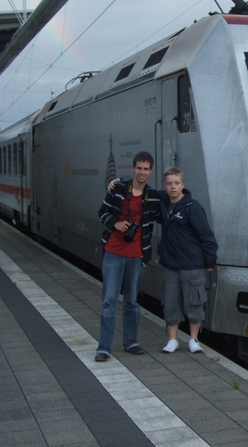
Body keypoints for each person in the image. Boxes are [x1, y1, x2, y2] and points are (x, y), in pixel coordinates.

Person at [95, 151, 160, 362]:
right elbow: (102, 212)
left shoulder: (153, 196)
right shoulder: (119, 188)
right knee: (109, 301)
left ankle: (130, 342)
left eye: (146, 169)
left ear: (151, 171)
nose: (142, 172)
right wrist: (114, 223)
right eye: (139, 168)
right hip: (114, 251)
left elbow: (175, 196)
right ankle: (104, 347)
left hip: (137, 255)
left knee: (132, 301)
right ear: (133, 168)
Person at [158, 167, 218, 354]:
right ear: (165, 186)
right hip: (171, 265)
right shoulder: (163, 204)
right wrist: (119, 183)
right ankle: (173, 340)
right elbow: (143, 189)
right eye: (169, 184)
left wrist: (210, 261)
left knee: (194, 303)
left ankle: (193, 339)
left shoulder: (193, 207)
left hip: (192, 264)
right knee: (171, 303)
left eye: (176, 183)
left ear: (183, 186)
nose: (173, 187)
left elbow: (206, 236)